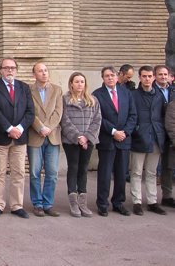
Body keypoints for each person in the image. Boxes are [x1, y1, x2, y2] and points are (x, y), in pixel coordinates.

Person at [0, 58, 35, 219]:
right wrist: (9, 128)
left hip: (20, 138)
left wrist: (19, 129)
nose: (10, 71)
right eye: (6, 68)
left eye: (12, 68)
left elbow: (30, 112)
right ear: (0, 70)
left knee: (19, 172)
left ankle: (16, 205)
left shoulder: (24, 87)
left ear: (16, 70)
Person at [93, 66, 137, 217]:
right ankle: (102, 204)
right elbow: (97, 117)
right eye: (106, 76)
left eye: (112, 75)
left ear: (117, 76)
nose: (110, 78)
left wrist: (125, 132)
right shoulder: (97, 94)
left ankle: (118, 202)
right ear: (103, 78)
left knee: (121, 174)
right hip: (107, 139)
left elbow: (133, 114)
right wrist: (113, 132)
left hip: (124, 139)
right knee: (105, 174)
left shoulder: (126, 93)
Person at [61, 72, 101, 217]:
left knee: (83, 169)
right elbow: (64, 120)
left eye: (82, 82)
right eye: (76, 81)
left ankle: (82, 202)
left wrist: (87, 137)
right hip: (71, 141)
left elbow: (97, 120)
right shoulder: (65, 100)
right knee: (73, 168)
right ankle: (73, 203)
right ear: (71, 83)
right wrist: (78, 137)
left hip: (88, 141)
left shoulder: (93, 100)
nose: (79, 84)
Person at [129, 66, 167, 215]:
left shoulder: (159, 95)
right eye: (144, 76)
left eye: (150, 76)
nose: (147, 79)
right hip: (140, 137)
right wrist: (136, 129)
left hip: (156, 137)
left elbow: (163, 115)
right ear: (140, 77)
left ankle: (152, 201)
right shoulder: (133, 95)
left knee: (152, 172)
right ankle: (136, 201)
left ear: (153, 78)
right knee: (137, 172)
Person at [27, 63, 63, 217]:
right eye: (40, 71)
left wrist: (48, 127)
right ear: (34, 74)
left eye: (45, 71)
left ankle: (48, 204)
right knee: (35, 172)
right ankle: (37, 204)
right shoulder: (28, 90)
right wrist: (40, 127)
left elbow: (58, 111)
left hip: (53, 136)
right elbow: (28, 111)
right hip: (35, 136)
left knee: (52, 173)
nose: (44, 73)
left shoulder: (57, 89)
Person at [154, 65, 175, 208]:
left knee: (169, 165)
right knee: (163, 166)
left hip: (171, 131)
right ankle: (162, 196)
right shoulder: (152, 90)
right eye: (160, 74)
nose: (163, 76)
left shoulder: (172, 91)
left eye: (165, 74)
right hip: (157, 132)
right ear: (155, 76)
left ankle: (167, 197)